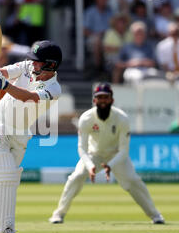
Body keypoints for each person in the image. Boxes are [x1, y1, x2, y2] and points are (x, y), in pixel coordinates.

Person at [0, 40, 63, 233]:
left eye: (39, 62)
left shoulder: (54, 89)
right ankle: (5, 230)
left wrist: (4, 85)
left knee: (5, 181)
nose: (33, 64)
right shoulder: (27, 66)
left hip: (20, 134)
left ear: (51, 65)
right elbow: (4, 72)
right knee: (5, 176)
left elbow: (28, 97)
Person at [49, 83, 165, 225]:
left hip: (116, 155)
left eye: (106, 97)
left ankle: (155, 215)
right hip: (93, 154)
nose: (103, 100)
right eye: (100, 98)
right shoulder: (86, 118)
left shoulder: (122, 118)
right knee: (76, 177)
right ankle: (58, 214)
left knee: (133, 181)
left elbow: (124, 150)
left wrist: (110, 165)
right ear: (94, 101)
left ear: (112, 100)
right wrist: (90, 165)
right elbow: (82, 148)